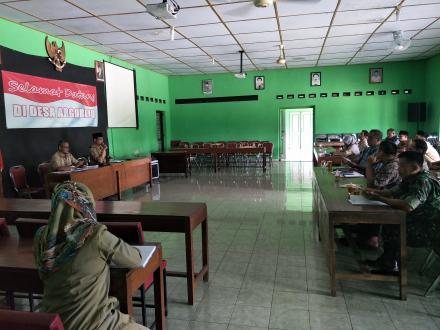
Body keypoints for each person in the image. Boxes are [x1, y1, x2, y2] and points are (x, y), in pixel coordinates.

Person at [34, 181, 149, 330]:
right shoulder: (94, 234)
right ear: (86, 205)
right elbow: (136, 259)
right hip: (93, 324)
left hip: (54, 323)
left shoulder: (41, 237)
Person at [364, 151, 440, 274]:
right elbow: (393, 192)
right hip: (421, 221)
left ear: (414, 167)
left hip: (431, 229)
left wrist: (379, 198)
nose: (398, 169)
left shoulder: (422, 181)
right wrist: (373, 192)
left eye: (401, 166)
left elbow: (407, 206)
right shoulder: (411, 178)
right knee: (390, 223)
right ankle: (387, 261)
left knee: (393, 227)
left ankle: (391, 265)